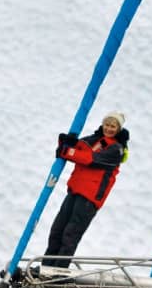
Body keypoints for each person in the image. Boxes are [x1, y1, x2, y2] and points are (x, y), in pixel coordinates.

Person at [42, 111, 129, 268]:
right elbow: (80, 147)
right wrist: (67, 142)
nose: (109, 128)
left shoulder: (117, 149)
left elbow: (89, 159)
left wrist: (67, 151)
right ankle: (46, 267)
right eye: (107, 124)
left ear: (118, 129)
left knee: (70, 234)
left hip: (90, 196)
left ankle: (58, 270)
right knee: (57, 229)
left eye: (113, 126)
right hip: (75, 190)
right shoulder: (98, 141)